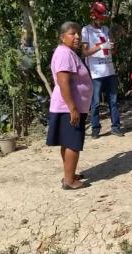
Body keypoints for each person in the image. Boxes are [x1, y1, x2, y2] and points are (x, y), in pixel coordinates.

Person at [46, 22, 93, 190]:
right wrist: (72, 107)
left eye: (78, 33)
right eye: (73, 34)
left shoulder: (67, 52)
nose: (77, 37)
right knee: (73, 143)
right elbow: (63, 81)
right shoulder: (64, 53)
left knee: (67, 142)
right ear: (62, 37)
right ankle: (69, 181)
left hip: (68, 106)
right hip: (68, 107)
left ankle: (69, 174)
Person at [81, 1, 123, 139]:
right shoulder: (86, 30)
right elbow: (85, 52)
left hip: (109, 70)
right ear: (93, 16)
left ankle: (116, 127)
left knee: (114, 100)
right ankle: (95, 128)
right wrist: (101, 46)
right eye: (100, 17)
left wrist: (113, 46)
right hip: (95, 72)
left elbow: (114, 51)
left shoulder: (106, 30)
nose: (102, 21)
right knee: (95, 103)